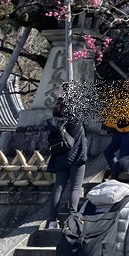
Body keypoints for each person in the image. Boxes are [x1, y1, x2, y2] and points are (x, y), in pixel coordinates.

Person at [45, 97, 87, 230]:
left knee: (58, 187)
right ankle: (72, 218)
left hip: (60, 157)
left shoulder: (56, 123)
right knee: (75, 188)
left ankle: (52, 221)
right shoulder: (76, 120)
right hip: (77, 157)